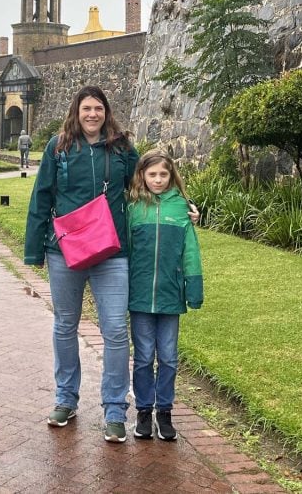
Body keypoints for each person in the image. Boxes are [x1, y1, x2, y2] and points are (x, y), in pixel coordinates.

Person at [24, 85, 139, 443]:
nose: (92, 115)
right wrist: (34, 251)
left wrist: (183, 205)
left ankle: (116, 409)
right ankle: (65, 398)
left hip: (111, 252)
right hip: (65, 251)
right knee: (64, 325)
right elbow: (42, 195)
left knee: (116, 332)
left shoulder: (122, 148)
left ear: (107, 112)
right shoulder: (58, 148)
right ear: (77, 111)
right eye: (87, 108)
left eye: (98, 109)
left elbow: (146, 187)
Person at [126, 150, 203, 442]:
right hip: (141, 296)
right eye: (152, 174)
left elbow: (191, 253)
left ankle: (165, 411)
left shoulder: (182, 208)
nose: (158, 180)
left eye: (163, 174)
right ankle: (144, 410)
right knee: (144, 357)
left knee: (169, 357)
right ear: (142, 176)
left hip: (171, 296)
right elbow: (127, 251)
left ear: (172, 176)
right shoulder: (132, 208)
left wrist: (194, 288)